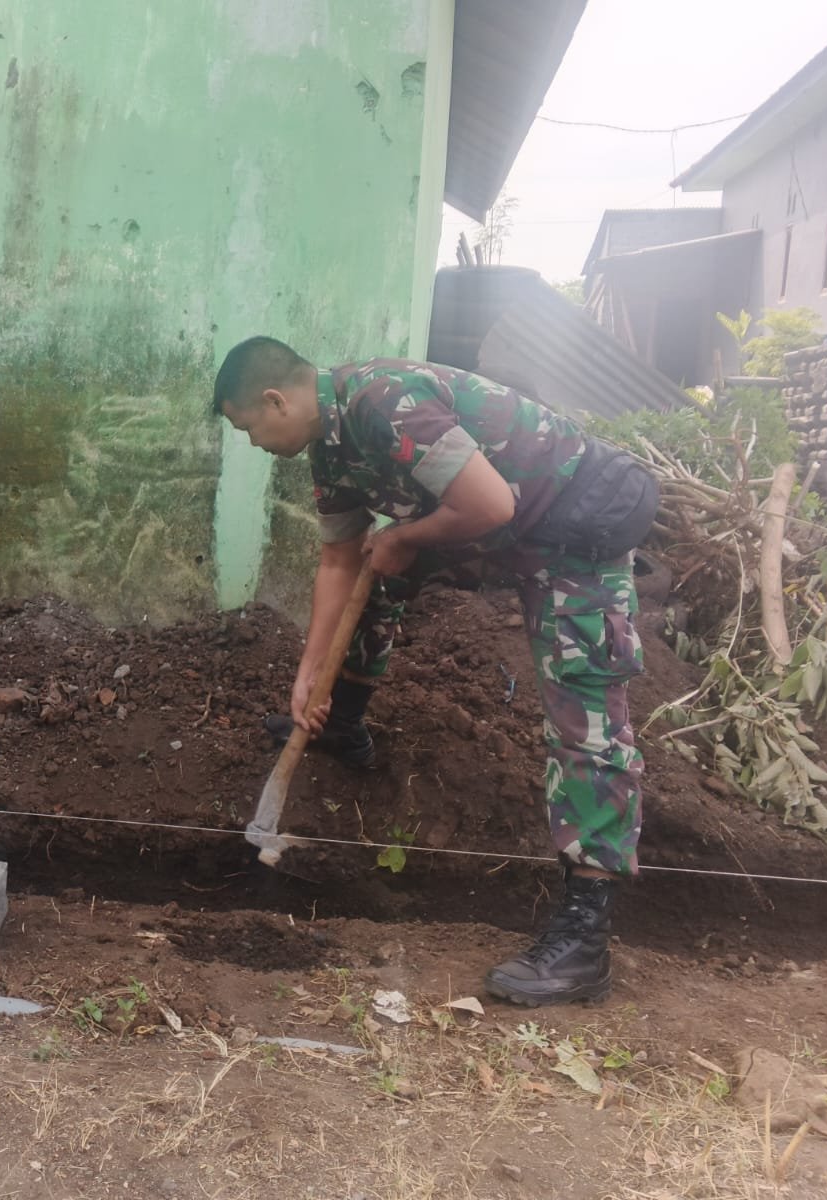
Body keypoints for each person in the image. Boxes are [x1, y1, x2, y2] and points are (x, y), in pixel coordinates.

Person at [214, 336, 659, 1006]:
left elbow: (487, 506)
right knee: (378, 559)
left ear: (277, 400)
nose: (252, 443)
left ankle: (584, 939)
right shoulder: (330, 448)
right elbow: (339, 561)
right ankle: (347, 723)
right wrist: (311, 673)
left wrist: (403, 538)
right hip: (508, 528)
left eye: (249, 428)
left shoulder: (382, 403)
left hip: (575, 522)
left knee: (583, 709)